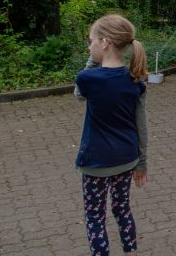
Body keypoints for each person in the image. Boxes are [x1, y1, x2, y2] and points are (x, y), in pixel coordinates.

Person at [74, 14, 149, 255]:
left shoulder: (88, 78)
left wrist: (92, 60)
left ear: (104, 43)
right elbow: (142, 125)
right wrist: (142, 163)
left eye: (91, 40)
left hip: (96, 161)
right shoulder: (135, 80)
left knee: (95, 217)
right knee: (122, 209)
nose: (90, 45)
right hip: (126, 159)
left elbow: (78, 95)